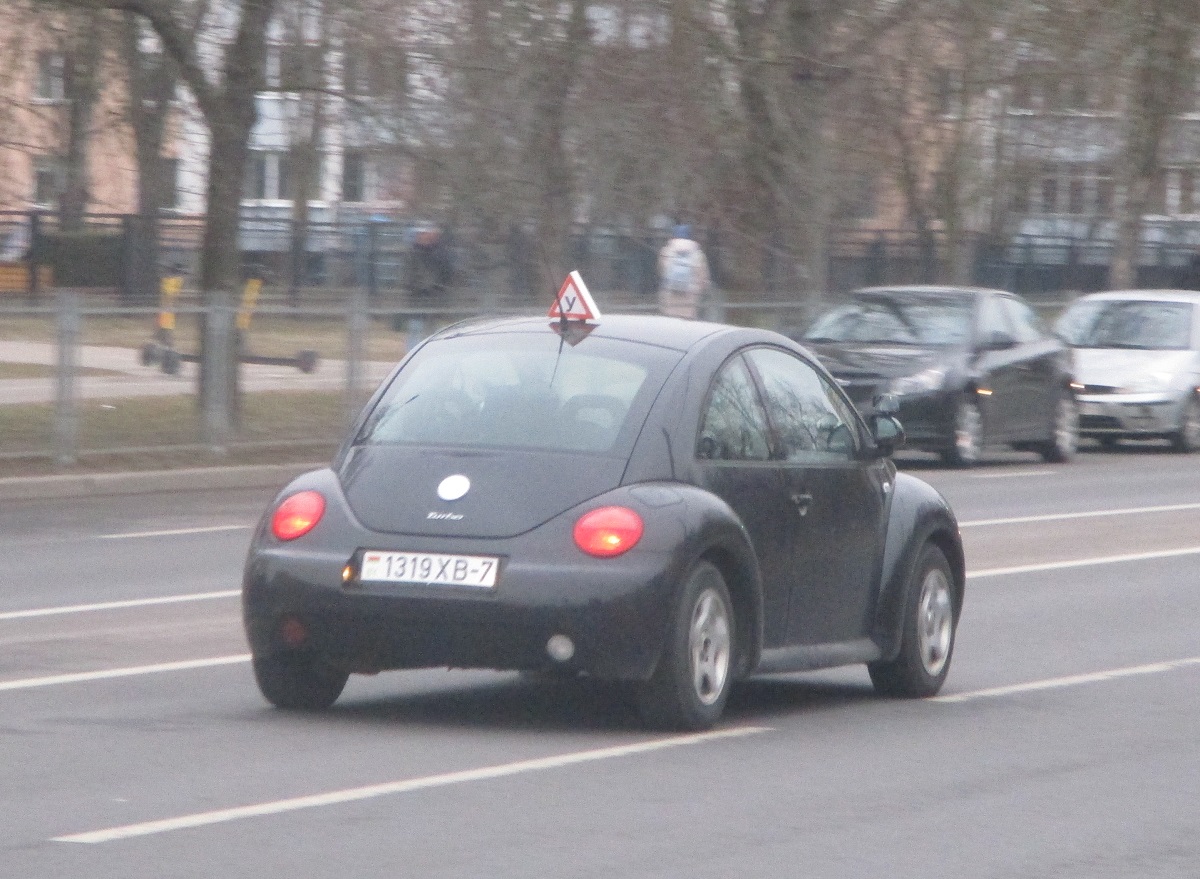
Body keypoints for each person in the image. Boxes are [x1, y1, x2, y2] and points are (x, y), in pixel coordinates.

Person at [657, 224, 711, 319]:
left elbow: (662, 271)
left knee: (670, 319)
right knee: (687, 320)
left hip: (670, 290)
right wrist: (702, 288)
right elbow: (702, 276)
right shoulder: (697, 253)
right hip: (690, 292)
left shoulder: (666, 251)